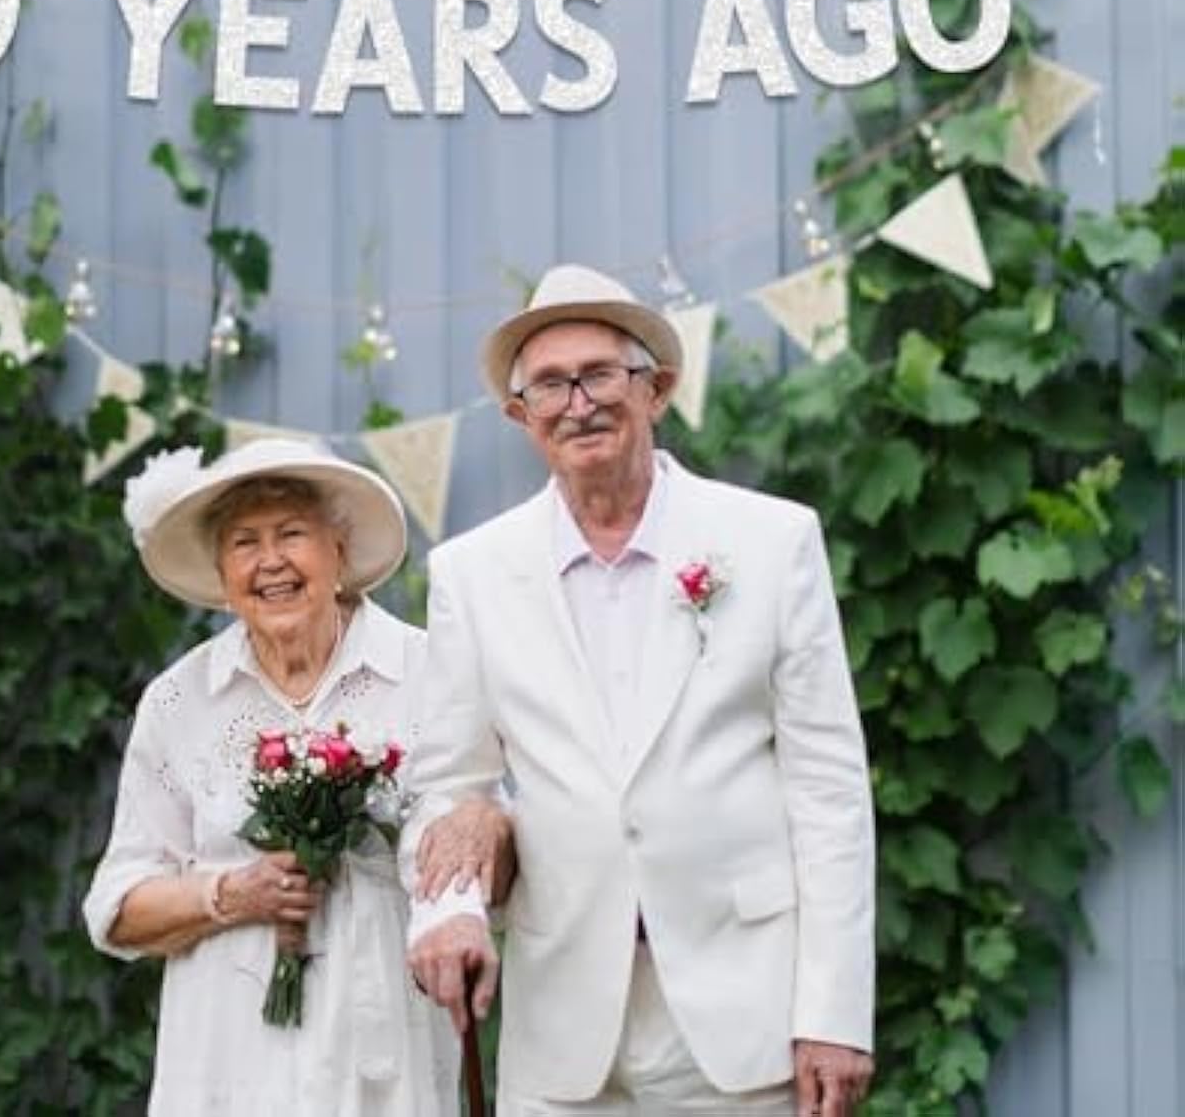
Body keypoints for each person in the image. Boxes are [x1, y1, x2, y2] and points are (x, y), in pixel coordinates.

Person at [406, 264, 876, 1117]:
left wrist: (835, 1014)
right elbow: (448, 785)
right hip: (563, 1032)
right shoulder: (470, 575)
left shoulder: (772, 542)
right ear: (521, 416)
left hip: (747, 1019)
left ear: (655, 390)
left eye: (599, 375)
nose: (577, 402)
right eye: (549, 384)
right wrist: (452, 910)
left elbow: (829, 791)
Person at [84, 436, 464, 1116]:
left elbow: (470, 850)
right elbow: (117, 907)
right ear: (222, 575)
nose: (270, 562)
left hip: (381, 1042)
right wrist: (232, 893)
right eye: (243, 542)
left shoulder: (425, 672)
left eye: (292, 533)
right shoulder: (180, 700)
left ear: (339, 551)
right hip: (228, 1054)